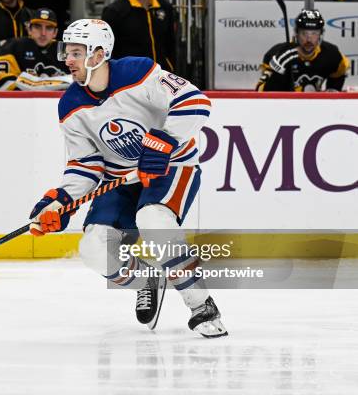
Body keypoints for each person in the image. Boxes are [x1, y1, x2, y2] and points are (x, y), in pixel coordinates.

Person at [28, 19, 227, 338]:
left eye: (76, 52)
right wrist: (59, 202)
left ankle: (201, 304)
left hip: (171, 168)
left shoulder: (139, 73)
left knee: (153, 220)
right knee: (93, 247)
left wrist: (164, 140)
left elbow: (195, 101)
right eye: (67, 51)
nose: (67, 59)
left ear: (97, 55)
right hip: (120, 178)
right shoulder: (70, 106)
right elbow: (86, 165)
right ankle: (146, 279)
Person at [257, 9, 349, 92]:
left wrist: (333, 88)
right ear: (296, 34)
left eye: (314, 33)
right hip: (285, 107)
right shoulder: (276, 53)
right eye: (304, 33)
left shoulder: (331, 53)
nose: (309, 39)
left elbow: (340, 73)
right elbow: (260, 91)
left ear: (321, 35)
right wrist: (278, 70)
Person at [0, 8, 71, 91]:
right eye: (37, 27)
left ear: (55, 33)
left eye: (49, 28)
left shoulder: (66, 50)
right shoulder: (13, 47)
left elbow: (80, 82)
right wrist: (56, 84)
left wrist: (32, 84)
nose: (43, 33)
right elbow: (1, 85)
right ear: (29, 29)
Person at [101, 0, 176, 72]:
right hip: (130, 80)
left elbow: (171, 45)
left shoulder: (166, 8)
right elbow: (107, 54)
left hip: (161, 77)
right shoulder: (113, 12)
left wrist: (171, 70)